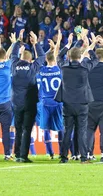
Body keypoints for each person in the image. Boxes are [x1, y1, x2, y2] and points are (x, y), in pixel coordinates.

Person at [56, 29, 98, 164]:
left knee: (67, 131)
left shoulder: (63, 67)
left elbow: (58, 56)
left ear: (69, 57)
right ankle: (84, 158)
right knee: (82, 131)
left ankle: (63, 158)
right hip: (82, 104)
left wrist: (68, 44)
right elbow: (96, 59)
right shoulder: (84, 67)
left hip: (67, 104)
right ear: (80, 57)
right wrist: (90, 46)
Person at [10, 31, 45, 163]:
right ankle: (23, 156)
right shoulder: (32, 68)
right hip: (29, 104)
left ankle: (17, 153)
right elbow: (42, 56)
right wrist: (35, 43)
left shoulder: (14, 66)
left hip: (16, 104)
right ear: (30, 59)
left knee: (18, 129)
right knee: (26, 129)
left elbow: (13, 54)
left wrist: (18, 42)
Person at [37, 31, 67, 160]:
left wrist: (51, 49)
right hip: (58, 102)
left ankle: (50, 153)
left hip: (45, 102)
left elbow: (41, 58)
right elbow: (55, 57)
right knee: (61, 128)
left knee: (45, 129)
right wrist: (58, 43)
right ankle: (62, 152)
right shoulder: (59, 70)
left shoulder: (42, 71)